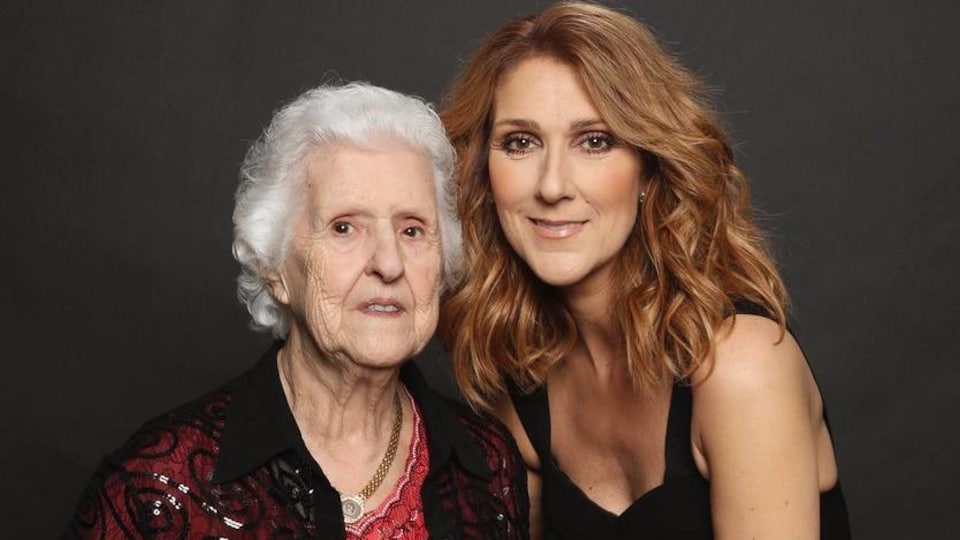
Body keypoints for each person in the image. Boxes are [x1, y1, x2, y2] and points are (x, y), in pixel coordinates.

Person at [440, 2, 850, 539]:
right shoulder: (516, 384)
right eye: (521, 142)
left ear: (648, 166)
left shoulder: (740, 367)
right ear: (483, 175)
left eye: (595, 141)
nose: (552, 185)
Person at [67, 83, 529, 539]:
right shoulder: (154, 488)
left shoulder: (489, 462)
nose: (389, 263)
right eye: (345, 227)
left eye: (412, 230)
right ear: (275, 269)